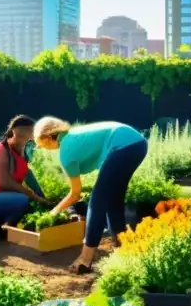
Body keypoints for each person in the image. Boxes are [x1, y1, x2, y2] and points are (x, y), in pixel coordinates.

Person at [34, 117, 147, 273]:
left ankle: (85, 259)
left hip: (123, 146)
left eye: (41, 144)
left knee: (96, 201)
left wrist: (54, 212)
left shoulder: (66, 151)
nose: (44, 148)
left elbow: (75, 194)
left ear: (47, 138)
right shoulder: (74, 136)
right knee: (113, 200)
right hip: (137, 143)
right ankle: (124, 249)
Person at [0, 115, 49, 225]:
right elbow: (5, 182)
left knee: (29, 204)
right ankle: (5, 227)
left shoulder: (22, 153)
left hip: (3, 199)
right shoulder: (1, 150)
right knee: (24, 200)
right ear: (17, 132)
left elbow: (29, 178)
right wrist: (33, 196)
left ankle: (6, 226)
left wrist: (44, 199)